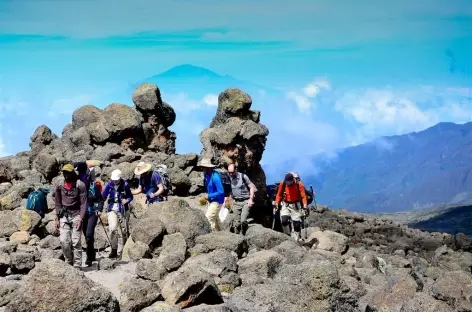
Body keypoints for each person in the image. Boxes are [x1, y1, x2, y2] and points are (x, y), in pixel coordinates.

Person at [54, 163, 87, 269]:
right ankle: (68, 262)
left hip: (76, 214)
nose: (66, 175)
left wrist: (81, 218)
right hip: (64, 214)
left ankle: (77, 265)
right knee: (64, 241)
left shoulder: (80, 185)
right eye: (64, 173)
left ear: (73, 173)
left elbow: (83, 203)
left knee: (76, 241)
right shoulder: (59, 185)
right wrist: (57, 218)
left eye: (68, 173)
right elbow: (58, 202)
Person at [75, 161, 104, 267]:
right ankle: (92, 254)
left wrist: (99, 209)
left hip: (92, 212)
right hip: (82, 214)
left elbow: (100, 200)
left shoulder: (93, 186)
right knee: (87, 236)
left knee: (88, 235)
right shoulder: (76, 186)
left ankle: (89, 257)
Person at [102, 169, 133, 259]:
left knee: (124, 231)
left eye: (116, 179)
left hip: (123, 209)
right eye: (113, 179)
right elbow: (104, 196)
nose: (114, 181)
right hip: (111, 209)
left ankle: (124, 250)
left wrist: (126, 200)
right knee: (112, 229)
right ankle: (114, 250)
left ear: (120, 178)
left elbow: (130, 196)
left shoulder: (125, 185)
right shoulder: (109, 185)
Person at [274, 172, 308, 241]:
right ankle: (287, 235)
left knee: (297, 224)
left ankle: (296, 239)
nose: (287, 183)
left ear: (292, 180)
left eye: (288, 182)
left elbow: (303, 196)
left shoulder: (299, 185)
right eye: (286, 182)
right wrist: (276, 203)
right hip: (285, 204)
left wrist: (304, 206)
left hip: (295, 205)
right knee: (284, 220)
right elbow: (279, 195)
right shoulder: (282, 184)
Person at [227, 163, 256, 235]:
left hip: (246, 201)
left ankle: (244, 233)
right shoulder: (228, 178)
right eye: (229, 172)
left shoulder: (243, 176)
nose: (230, 174)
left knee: (243, 220)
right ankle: (237, 237)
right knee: (236, 223)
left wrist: (251, 199)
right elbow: (228, 189)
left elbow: (252, 187)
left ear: (236, 169)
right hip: (236, 202)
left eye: (232, 172)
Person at [198, 158, 225, 232]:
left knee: (208, 218)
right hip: (212, 201)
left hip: (217, 201)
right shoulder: (206, 175)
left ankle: (212, 238)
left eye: (203, 167)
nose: (202, 168)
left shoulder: (215, 176)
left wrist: (209, 196)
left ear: (208, 167)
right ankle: (222, 236)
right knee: (216, 222)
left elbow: (221, 191)